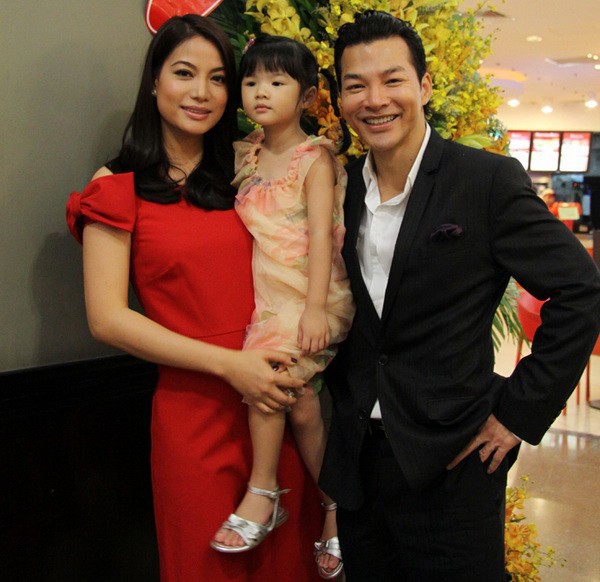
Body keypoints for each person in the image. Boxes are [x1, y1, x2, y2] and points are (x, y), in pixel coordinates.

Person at [318, 10, 600, 582]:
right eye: (356, 85)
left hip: (455, 462)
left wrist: (517, 414)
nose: (375, 100)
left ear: (424, 86)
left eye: (393, 80)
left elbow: (581, 289)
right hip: (359, 464)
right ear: (340, 99)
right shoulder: (337, 187)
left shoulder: (484, 181)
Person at [66, 15, 324, 582]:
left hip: (274, 402)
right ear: (154, 81)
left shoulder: (249, 169)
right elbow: (106, 319)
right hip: (194, 412)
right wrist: (231, 365)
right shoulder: (116, 185)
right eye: (184, 73)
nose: (202, 92)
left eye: (218, 78)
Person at [209, 35, 354, 580]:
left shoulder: (313, 159)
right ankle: (336, 507)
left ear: (309, 97)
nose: (260, 92)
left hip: (314, 292)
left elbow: (321, 237)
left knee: (269, 379)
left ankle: (263, 491)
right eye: (251, 81)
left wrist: (315, 308)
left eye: (276, 81)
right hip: (271, 298)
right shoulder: (246, 153)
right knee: (303, 404)